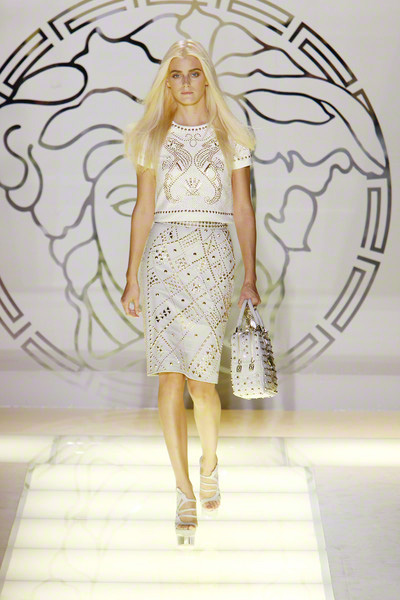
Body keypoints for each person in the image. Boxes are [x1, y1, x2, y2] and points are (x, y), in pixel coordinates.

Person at [121, 39, 261, 545]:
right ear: (167, 81)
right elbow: (143, 208)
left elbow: (243, 208)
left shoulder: (232, 137)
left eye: (193, 73)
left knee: (202, 382)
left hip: (214, 256)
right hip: (163, 256)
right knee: (168, 376)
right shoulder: (150, 138)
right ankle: (182, 489)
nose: (185, 82)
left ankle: (209, 461)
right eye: (176, 74)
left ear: (206, 78)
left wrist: (249, 275)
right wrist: (132, 274)